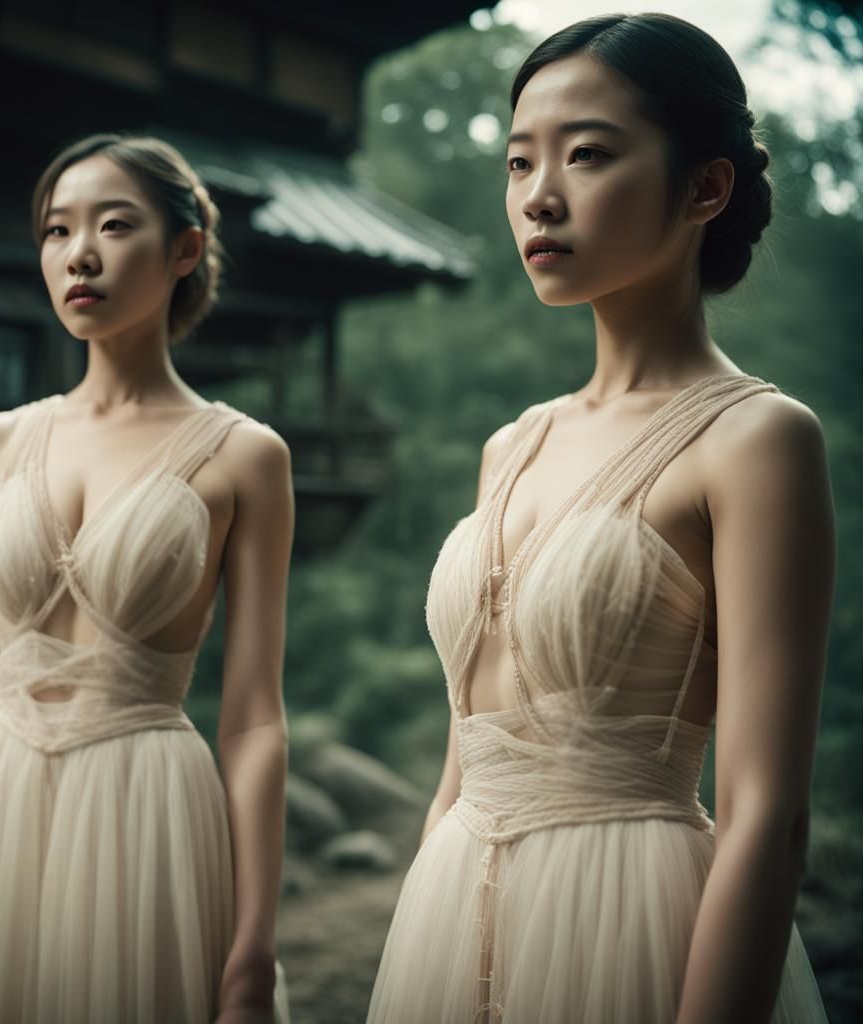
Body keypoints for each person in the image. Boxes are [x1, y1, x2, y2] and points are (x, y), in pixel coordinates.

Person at [367, 13, 834, 1024]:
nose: (538, 196)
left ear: (703, 188)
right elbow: (464, 757)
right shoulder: (512, 444)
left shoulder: (754, 441)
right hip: (451, 908)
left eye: (586, 156)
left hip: (631, 921)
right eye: (518, 162)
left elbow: (765, 812)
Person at [0, 133, 294, 1024]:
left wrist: (254, 946)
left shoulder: (246, 457)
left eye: (113, 225)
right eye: (57, 232)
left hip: (147, 810)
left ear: (184, 250)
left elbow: (253, 718)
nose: (80, 255)